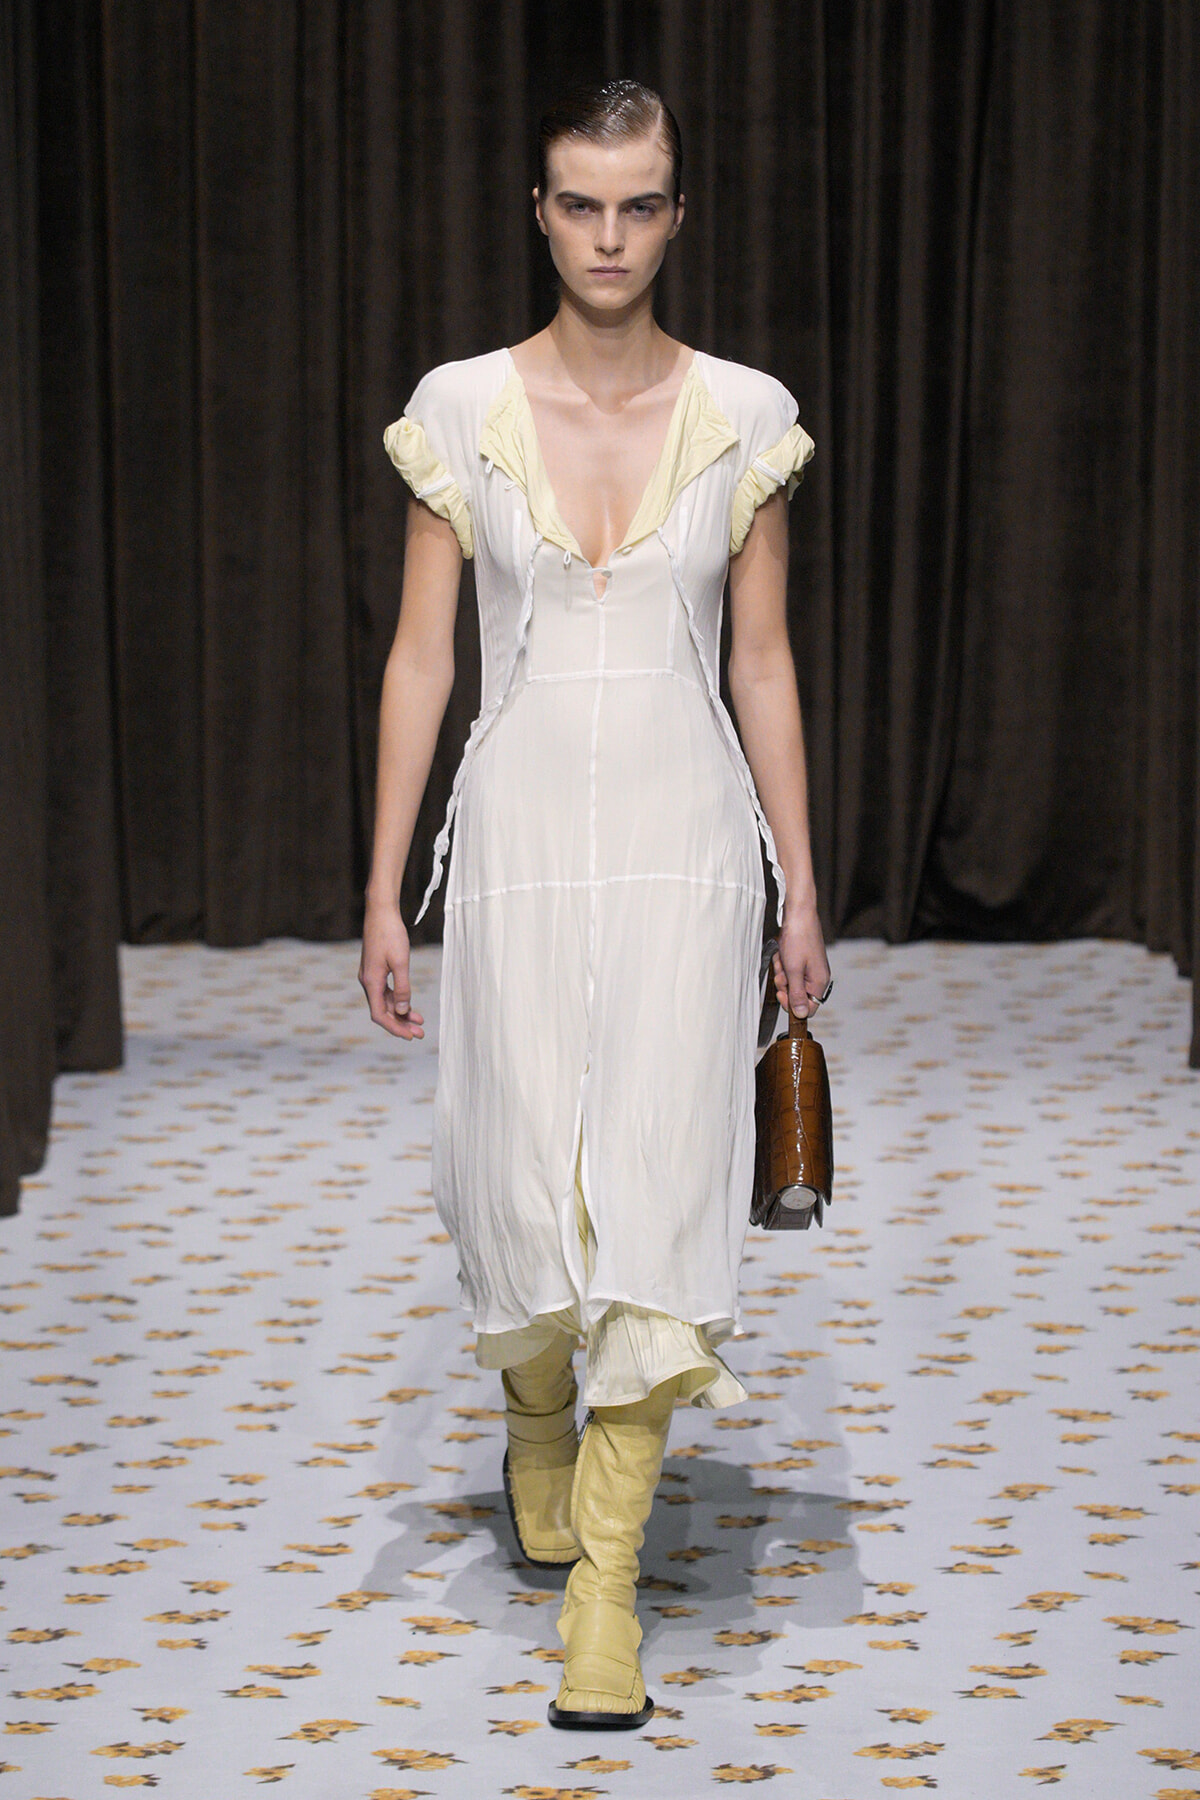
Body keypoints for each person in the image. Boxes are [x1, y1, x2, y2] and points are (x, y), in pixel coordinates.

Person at [359, 79, 831, 1731]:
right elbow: (427, 651)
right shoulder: (463, 405)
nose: (613, 236)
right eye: (583, 204)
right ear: (542, 213)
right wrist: (381, 886)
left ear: (677, 215)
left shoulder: (745, 413)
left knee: (652, 1195)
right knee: (511, 1179)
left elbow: (759, 660)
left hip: (686, 842)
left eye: (641, 206)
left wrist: (799, 881)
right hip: (515, 837)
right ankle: (534, 1418)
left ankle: (606, 1601)